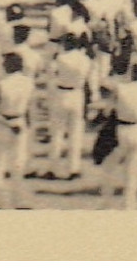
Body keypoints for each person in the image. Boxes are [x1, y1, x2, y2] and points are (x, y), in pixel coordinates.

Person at [99, 63, 137, 210]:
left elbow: (106, 111)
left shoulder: (121, 88)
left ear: (132, 73)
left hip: (121, 130)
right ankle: (129, 204)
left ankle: (106, 201)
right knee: (132, 170)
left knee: (109, 166)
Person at [0, 51, 36, 209]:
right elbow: (29, 108)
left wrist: (9, 124)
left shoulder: (2, 84)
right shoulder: (28, 83)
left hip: (3, 123)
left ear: (9, 66)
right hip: (20, 122)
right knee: (18, 164)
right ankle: (18, 200)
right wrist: (25, 127)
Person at [44, 35, 94, 180]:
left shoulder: (60, 58)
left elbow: (50, 73)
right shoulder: (85, 60)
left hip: (61, 93)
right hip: (77, 94)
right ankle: (74, 168)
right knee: (76, 133)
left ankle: (53, 168)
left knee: (57, 132)